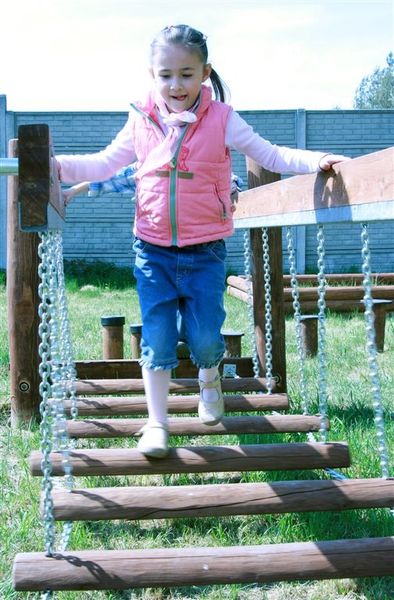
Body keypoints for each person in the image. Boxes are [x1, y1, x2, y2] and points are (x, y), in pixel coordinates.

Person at [57, 24, 348, 459]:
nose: (176, 85)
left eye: (187, 74)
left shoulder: (223, 119)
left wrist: (316, 160)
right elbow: (103, 165)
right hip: (152, 250)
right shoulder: (141, 119)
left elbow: (270, 154)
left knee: (206, 337)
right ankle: (157, 423)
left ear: (205, 72)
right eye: (166, 74)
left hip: (205, 250)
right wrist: (53, 163)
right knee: (156, 338)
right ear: (152, 75)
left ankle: (209, 377)